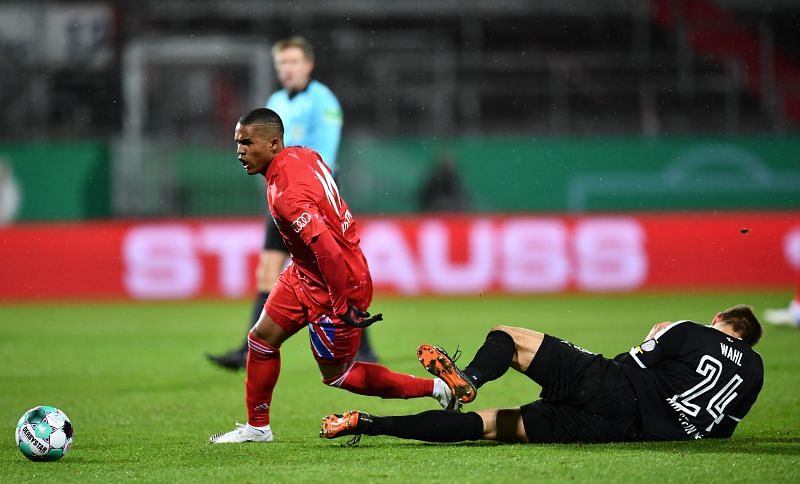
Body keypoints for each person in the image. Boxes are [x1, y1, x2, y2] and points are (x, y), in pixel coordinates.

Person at [209, 108, 457, 444]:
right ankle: (257, 428)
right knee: (261, 340)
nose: (239, 150)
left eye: (246, 142)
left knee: (339, 375)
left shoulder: (286, 197)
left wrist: (341, 303)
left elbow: (327, 246)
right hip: (306, 272)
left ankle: (439, 388)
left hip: (336, 282)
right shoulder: (303, 155)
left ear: (272, 143)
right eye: (237, 142)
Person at [321, 304, 763, 444]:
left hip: (613, 388)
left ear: (719, 317)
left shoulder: (690, 331)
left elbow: (635, 365)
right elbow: (717, 431)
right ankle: (370, 425)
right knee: (490, 427)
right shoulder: (756, 372)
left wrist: (656, 337)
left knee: (507, 337)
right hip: (618, 429)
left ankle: (469, 379)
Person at [207, 36, 378, 370]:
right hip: (283, 195)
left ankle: (364, 348)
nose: (286, 69)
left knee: (330, 266)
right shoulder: (275, 101)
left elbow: (323, 155)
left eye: (292, 62)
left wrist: (296, 182)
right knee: (267, 272)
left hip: (312, 192)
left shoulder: (323, 100)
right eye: (281, 64)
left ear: (308, 65)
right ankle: (249, 348)